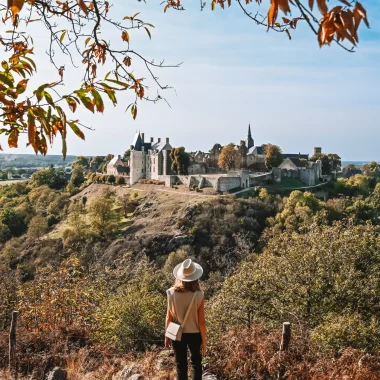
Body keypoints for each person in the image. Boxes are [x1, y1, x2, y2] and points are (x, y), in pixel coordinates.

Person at [165, 259, 206, 380]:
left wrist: (167, 336)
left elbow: (169, 317)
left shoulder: (171, 293)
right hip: (195, 334)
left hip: (177, 334)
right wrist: (204, 342)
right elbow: (202, 322)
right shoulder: (199, 294)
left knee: (180, 365)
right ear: (195, 277)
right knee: (196, 364)